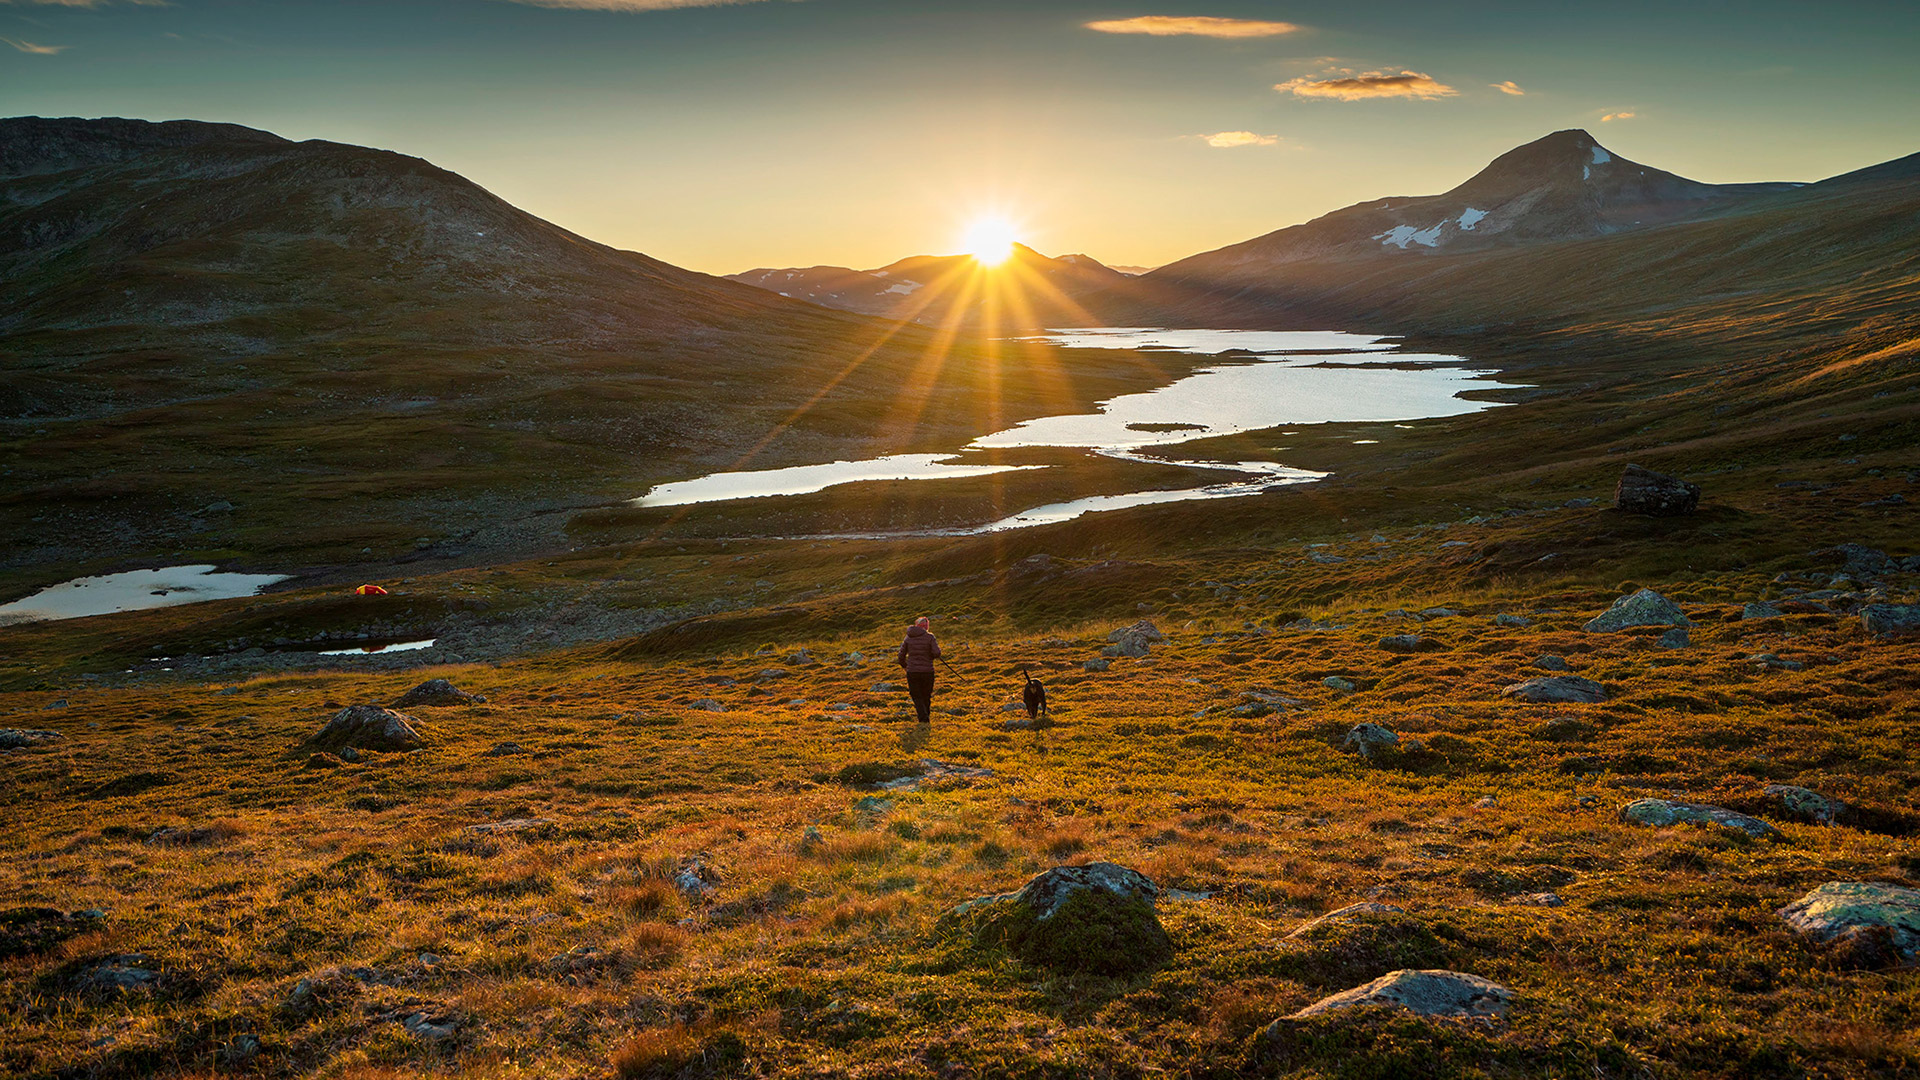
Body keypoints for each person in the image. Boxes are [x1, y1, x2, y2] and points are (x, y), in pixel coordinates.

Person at [896, 615, 941, 724]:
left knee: (916, 695)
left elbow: (901, 655)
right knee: (926, 695)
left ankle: (923, 718)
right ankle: (925, 717)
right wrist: (930, 655)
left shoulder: (908, 637)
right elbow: (937, 653)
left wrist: (905, 666)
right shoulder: (930, 637)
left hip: (912, 671)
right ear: (925, 626)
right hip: (928, 671)